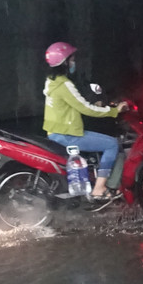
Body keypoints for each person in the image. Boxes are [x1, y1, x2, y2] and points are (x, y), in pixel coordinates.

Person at [42, 42, 125, 200]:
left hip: (55, 133)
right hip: (68, 134)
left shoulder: (51, 81)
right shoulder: (65, 84)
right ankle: (99, 188)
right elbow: (86, 108)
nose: (74, 63)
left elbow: (72, 103)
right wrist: (114, 111)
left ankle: (95, 181)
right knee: (111, 144)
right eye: (71, 59)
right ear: (64, 62)